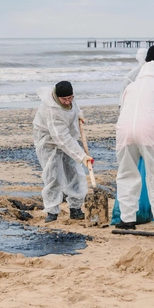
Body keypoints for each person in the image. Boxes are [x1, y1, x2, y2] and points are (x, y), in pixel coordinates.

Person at [115, 60, 154, 230]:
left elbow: (122, 109)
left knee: (126, 173)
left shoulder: (131, 86)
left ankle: (127, 219)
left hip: (124, 131)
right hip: (152, 131)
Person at [33, 81, 93, 223]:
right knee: (53, 176)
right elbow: (61, 138)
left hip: (68, 138)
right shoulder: (52, 110)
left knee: (74, 173)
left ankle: (75, 208)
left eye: (70, 98)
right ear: (57, 97)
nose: (67, 102)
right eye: (64, 99)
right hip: (49, 142)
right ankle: (52, 211)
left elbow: (75, 107)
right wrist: (82, 156)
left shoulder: (70, 98)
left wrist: (79, 114)